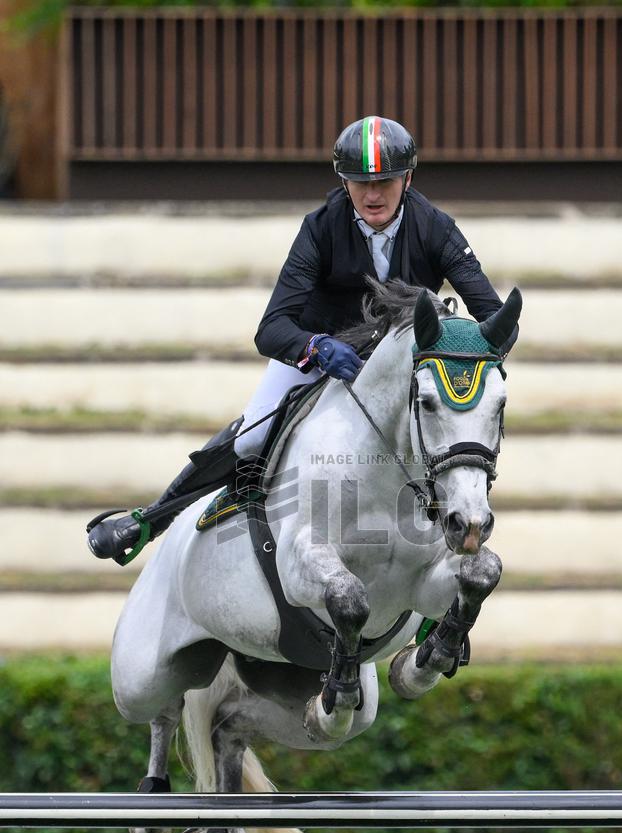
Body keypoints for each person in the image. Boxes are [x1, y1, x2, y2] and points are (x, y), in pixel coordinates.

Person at [87, 115, 509, 564]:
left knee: (459, 433)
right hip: (325, 351)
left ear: (408, 178)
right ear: (342, 182)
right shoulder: (321, 226)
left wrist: (449, 349)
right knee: (252, 436)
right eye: (358, 182)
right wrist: (317, 348)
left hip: (400, 368)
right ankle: (151, 520)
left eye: (384, 181)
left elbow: (497, 321)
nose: (372, 194)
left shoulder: (436, 227)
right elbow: (270, 330)